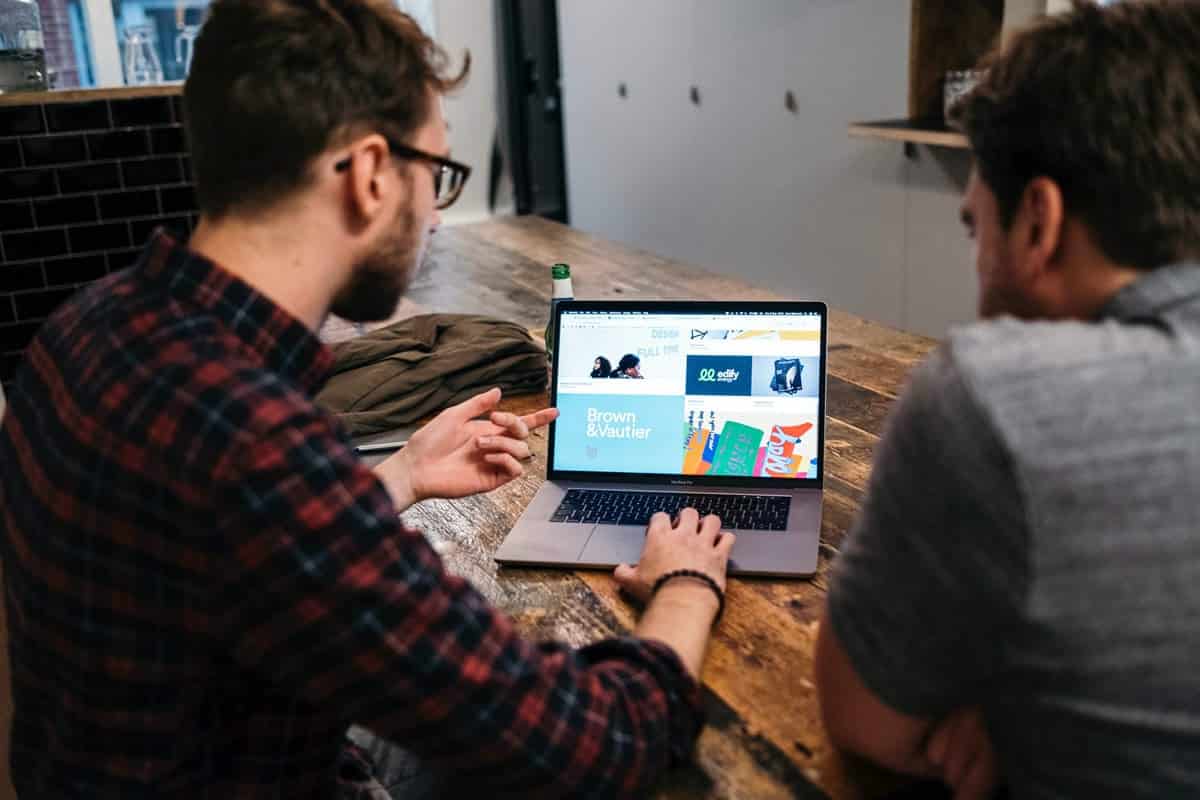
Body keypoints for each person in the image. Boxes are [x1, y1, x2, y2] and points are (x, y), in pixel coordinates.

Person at [0, 1, 734, 797]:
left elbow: (215, 564)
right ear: (373, 173)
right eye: (437, 175)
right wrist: (685, 583)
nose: (434, 214)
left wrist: (399, 477)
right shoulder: (255, 445)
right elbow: (595, 743)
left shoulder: (82, 327)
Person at [815, 2, 1200, 798]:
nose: (978, 266)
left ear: (1038, 222)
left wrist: (1010, 709)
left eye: (974, 230)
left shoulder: (1002, 395)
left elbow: (866, 721)